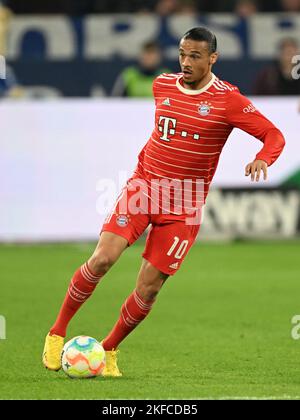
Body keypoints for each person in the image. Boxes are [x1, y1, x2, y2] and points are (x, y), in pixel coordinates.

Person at [43, 27, 285, 377]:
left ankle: (109, 350)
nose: (186, 62)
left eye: (195, 56)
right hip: (145, 188)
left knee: (149, 288)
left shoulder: (228, 99)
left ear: (213, 58)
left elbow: (273, 134)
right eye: (183, 55)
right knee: (101, 259)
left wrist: (264, 157)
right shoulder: (162, 85)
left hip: (185, 205)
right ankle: (56, 332)